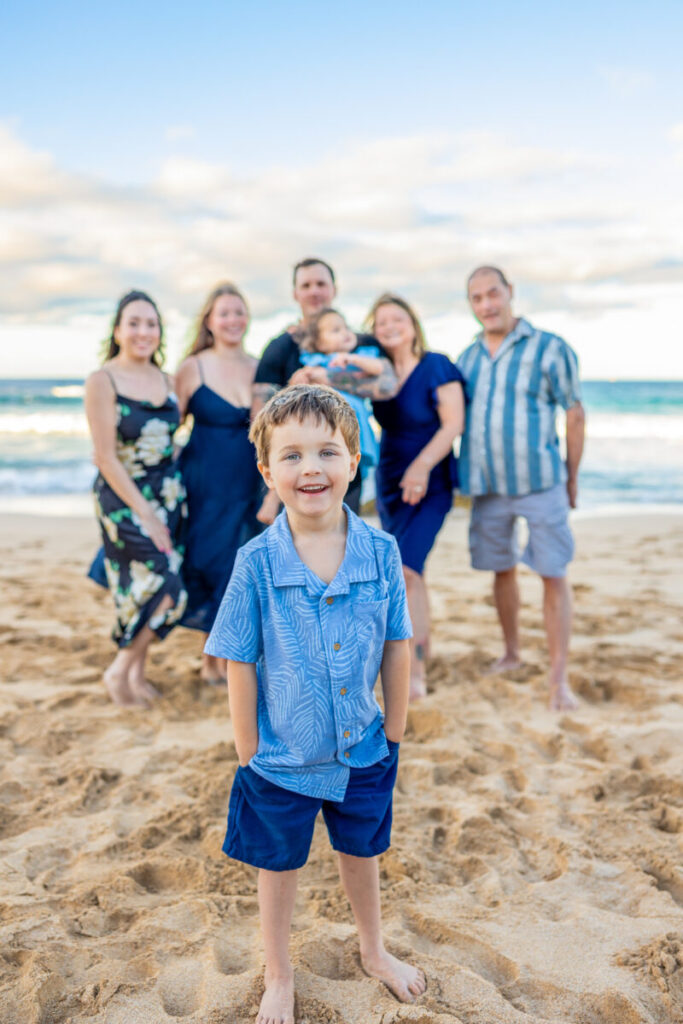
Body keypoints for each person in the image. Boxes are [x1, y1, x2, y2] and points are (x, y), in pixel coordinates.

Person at [205, 384, 427, 1023]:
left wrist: (397, 730)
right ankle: (279, 971)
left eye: (328, 452)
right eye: (293, 456)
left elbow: (397, 644)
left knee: (363, 851)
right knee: (278, 863)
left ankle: (373, 949)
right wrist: (248, 749)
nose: (311, 469)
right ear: (267, 470)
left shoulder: (381, 552)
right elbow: (237, 659)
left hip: (364, 742)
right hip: (282, 754)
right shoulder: (255, 563)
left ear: (353, 462)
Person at [457, 266, 586, 711]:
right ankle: (512, 653)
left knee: (553, 572)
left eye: (493, 294)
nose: (487, 305)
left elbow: (574, 413)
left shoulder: (550, 348)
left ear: (509, 293)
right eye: (477, 298)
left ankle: (559, 679)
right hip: (488, 486)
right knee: (501, 569)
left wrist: (572, 476)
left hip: (541, 482)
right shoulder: (467, 358)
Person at [84, 291, 187, 706]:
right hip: (124, 497)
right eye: (134, 323)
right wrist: (145, 512)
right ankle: (119, 669)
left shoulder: (168, 380)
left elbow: (167, 442)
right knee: (168, 585)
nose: (143, 331)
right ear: (118, 330)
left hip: (169, 494)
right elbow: (104, 456)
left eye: (151, 324)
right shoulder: (102, 380)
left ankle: (136, 674)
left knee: (140, 589)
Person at [368, 294, 465, 701]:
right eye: (381, 322)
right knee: (408, 575)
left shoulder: (437, 364)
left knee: (407, 571)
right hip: (389, 481)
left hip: (430, 481)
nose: (390, 326)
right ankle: (416, 653)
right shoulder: (376, 372)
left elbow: (453, 424)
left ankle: (416, 670)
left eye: (397, 318)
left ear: (413, 322)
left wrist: (422, 467)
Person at [253, 258, 397, 519]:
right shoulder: (280, 348)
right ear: (295, 293)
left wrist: (327, 379)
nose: (314, 291)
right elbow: (261, 416)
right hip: (294, 466)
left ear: (334, 289)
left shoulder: (357, 342)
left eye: (321, 283)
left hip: (345, 460)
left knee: (341, 538)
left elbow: (387, 386)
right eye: (306, 285)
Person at [175, 283, 263, 685]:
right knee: (209, 561)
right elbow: (165, 427)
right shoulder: (193, 367)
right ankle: (212, 657)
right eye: (224, 312)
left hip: (249, 483)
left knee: (238, 568)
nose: (232, 320)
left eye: (239, 312)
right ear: (209, 321)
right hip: (204, 483)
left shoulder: (260, 366)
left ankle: (222, 658)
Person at [299, 306, 387, 472]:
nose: (345, 333)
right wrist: (304, 376)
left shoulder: (360, 356)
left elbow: (378, 368)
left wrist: (352, 358)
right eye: (335, 330)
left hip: (355, 416)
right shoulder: (317, 360)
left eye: (346, 327)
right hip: (326, 423)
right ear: (319, 343)